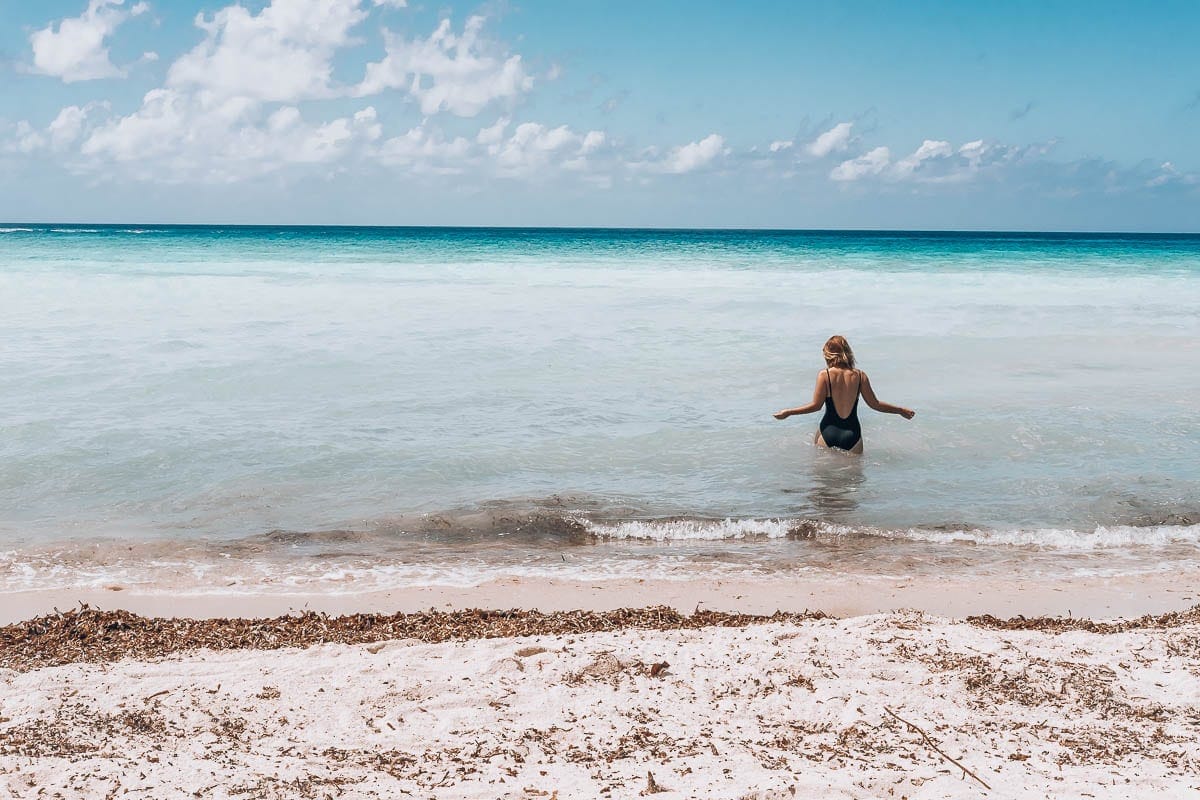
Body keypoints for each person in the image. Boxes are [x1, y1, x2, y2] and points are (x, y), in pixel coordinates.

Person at [773, 335, 915, 454]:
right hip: (852, 434)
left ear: (828, 355)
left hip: (828, 431)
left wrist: (788, 412)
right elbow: (875, 404)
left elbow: (815, 406)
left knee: (822, 484)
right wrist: (900, 410)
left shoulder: (825, 375)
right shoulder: (860, 376)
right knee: (853, 483)